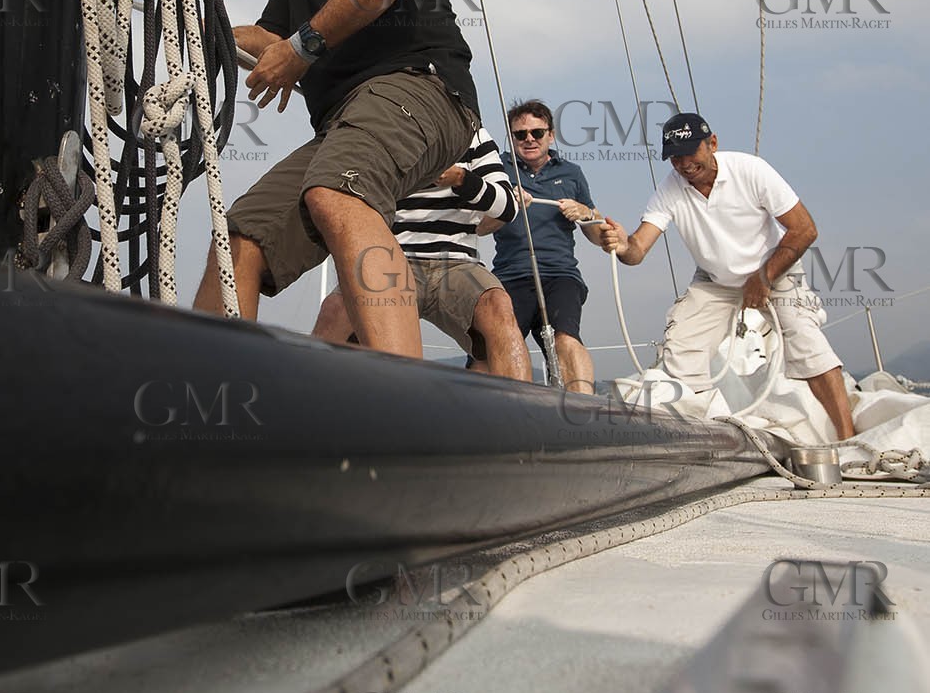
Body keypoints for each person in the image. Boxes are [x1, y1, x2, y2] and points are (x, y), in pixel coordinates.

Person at [193, 0, 479, 358]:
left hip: (420, 87)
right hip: (342, 121)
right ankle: (216, 397)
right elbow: (270, 39)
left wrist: (302, 48)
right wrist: (200, 25)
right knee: (241, 239)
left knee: (336, 192)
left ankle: (400, 396)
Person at [595, 112, 855, 440]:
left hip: (774, 266)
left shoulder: (751, 170)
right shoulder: (669, 190)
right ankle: (707, 438)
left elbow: (804, 229)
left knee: (806, 341)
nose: (684, 164)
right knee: (681, 353)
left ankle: (848, 438)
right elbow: (638, 251)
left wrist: (763, 277)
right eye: (675, 157)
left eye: (691, 152)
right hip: (714, 279)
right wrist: (622, 243)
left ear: (712, 143)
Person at [312, 127, 532, 381]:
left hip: (457, 263)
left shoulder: (474, 136)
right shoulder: (385, 127)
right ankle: (304, 404)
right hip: (390, 258)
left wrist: (462, 179)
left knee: (498, 306)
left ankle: (522, 411)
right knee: (336, 309)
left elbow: (508, 207)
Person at [484, 100, 603, 392]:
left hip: (560, 274)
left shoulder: (572, 173)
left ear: (551, 135)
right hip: (511, 275)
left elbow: (598, 235)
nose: (529, 140)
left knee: (565, 338)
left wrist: (585, 213)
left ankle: (581, 411)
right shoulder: (497, 169)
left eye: (537, 133)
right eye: (520, 134)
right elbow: (477, 227)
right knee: (497, 343)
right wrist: (506, 208)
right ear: (511, 138)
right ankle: (496, 415)